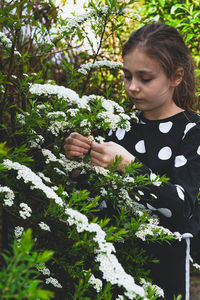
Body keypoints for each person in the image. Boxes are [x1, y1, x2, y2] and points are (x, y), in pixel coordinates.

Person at [64, 23, 200, 300]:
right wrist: (78, 168)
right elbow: (96, 200)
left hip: (165, 264)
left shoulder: (191, 130)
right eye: (127, 76)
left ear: (176, 76)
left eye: (145, 78)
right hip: (111, 257)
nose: (132, 87)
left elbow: (182, 205)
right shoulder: (119, 126)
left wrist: (131, 168)